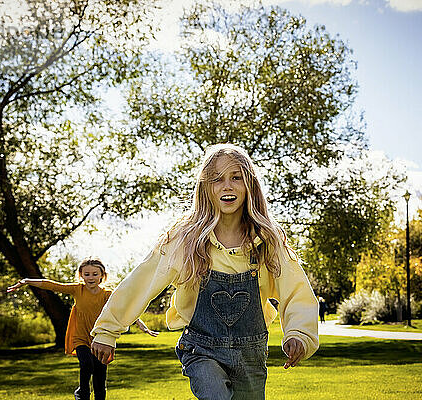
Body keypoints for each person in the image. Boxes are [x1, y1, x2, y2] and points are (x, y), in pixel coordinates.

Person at [90, 144, 319, 400]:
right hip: (201, 350)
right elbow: (143, 280)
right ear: (205, 188)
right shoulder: (185, 238)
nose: (227, 186)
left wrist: (299, 334)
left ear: (250, 186)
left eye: (236, 177)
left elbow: (296, 290)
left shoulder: (267, 239)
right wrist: (107, 330)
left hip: (251, 356)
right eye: (217, 179)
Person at [7, 258, 158, 400]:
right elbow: (52, 285)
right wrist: (27, 281)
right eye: (86, 274)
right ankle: (82, 393)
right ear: (81, 275)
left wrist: (142, 326)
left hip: (100, 339)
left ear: (102, 276)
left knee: (100, 373)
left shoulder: (108, 294)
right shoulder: (77, 290)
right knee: (86, 364)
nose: (90, 277)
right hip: (81, 337)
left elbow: (124, 310)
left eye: (94, 274)